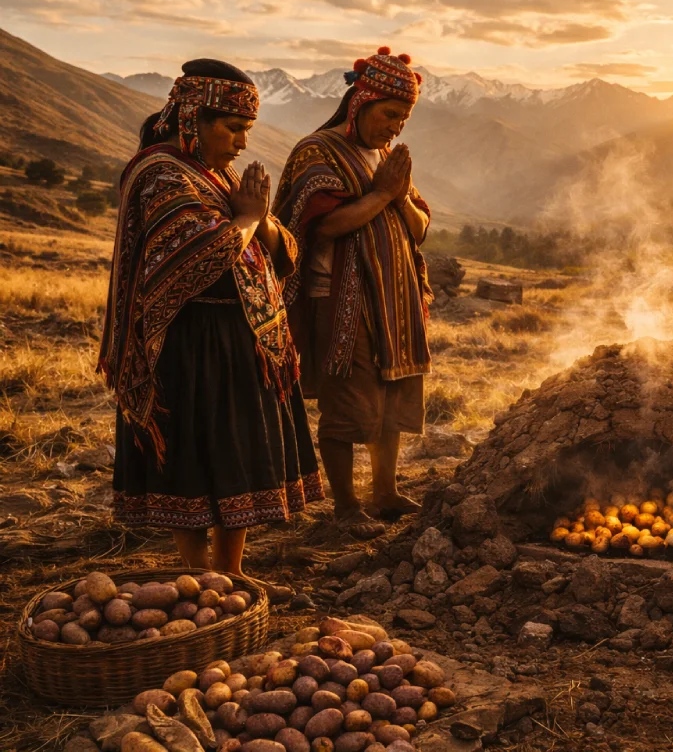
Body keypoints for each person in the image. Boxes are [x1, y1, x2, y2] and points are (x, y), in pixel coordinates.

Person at [99, 59, 323, 575]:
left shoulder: (215, 173)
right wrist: (247, 218)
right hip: (188, 340)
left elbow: (282, 248)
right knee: (194, 458)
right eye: (234, 127)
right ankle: (199, 575)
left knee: (236, 453)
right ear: (192, 118)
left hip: (242, 338)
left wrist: (260, 219)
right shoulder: (159, 173)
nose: (242, 143)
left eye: (248, 129)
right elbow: (203, 255)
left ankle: (231, 571)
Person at [272, 47, 433, 538]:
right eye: (389, 115)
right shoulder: (317, 151)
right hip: (343, 300)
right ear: (360, 102)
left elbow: (420, 229)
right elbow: (320, 226)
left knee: (392, 395)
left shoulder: (387, 157)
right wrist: (382, 194)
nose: (395, 128)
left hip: (395, 299)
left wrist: (399, 197)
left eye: (403, 119)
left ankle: (384, 493)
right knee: (348, 403)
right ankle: (345, 506)